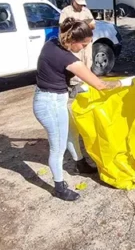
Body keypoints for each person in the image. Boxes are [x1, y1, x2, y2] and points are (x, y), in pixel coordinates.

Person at [34, 18, 129, 201]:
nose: (85, 48)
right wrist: (122, 82)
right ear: (73, 40)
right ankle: (59, 187)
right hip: (50, 104)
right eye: (84, 44)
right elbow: (99, 85)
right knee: (58, 147)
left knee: (72, 132)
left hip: (51, 98)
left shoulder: (53, 43)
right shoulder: (68, 58)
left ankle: (80, 164)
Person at [59, 0, 96, 71]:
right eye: (79, 4)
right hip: (74, 42)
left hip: (86, 42)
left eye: (82, 4)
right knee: (75, 61)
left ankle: (87, 78)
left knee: (87, 60)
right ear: (74, 1)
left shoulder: (86, 11)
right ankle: (75, 81)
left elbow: (93, 25)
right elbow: (62, 27)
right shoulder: (66, 11)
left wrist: (83, 24)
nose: (81, 6)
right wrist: (75, 24)